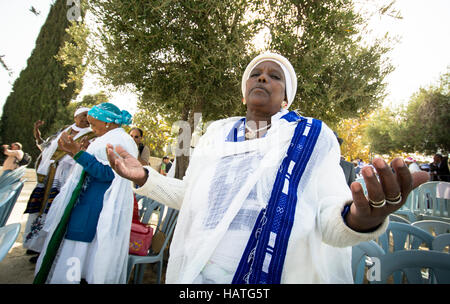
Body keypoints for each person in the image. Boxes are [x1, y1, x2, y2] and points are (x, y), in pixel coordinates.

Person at [106, 52, 429, 283]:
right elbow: (191, 196)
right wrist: (145, 177)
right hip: (197, 272)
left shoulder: (312, 137)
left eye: (274, 76)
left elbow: (329, 221)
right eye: (256, 73)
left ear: (286, 98)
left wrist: (364, 219)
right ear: (245, 89)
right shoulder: (216, 133)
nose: (262, 77)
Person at [33, 103, 137, 284]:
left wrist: (76, 153)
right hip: (87, 200)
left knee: (80, 248)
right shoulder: (107, 137)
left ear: (107, 122)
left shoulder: (120, 141)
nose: (91, 127)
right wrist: (77, 152)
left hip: (95, 204)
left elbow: (109, 174)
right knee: (77, 246)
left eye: (93, 123)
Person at [22, 108, 95, 262]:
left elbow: (84, 156)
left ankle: (44, 250)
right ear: (75, 116)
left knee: (53, 211)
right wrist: (37, 132)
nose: (86, 119)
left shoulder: (92, 135)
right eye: (83, 115)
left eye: (88, 116)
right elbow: (45, 147)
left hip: (64, 179)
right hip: (49, 175)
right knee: (40, 209)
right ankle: (34, 244)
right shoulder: (64, 130)